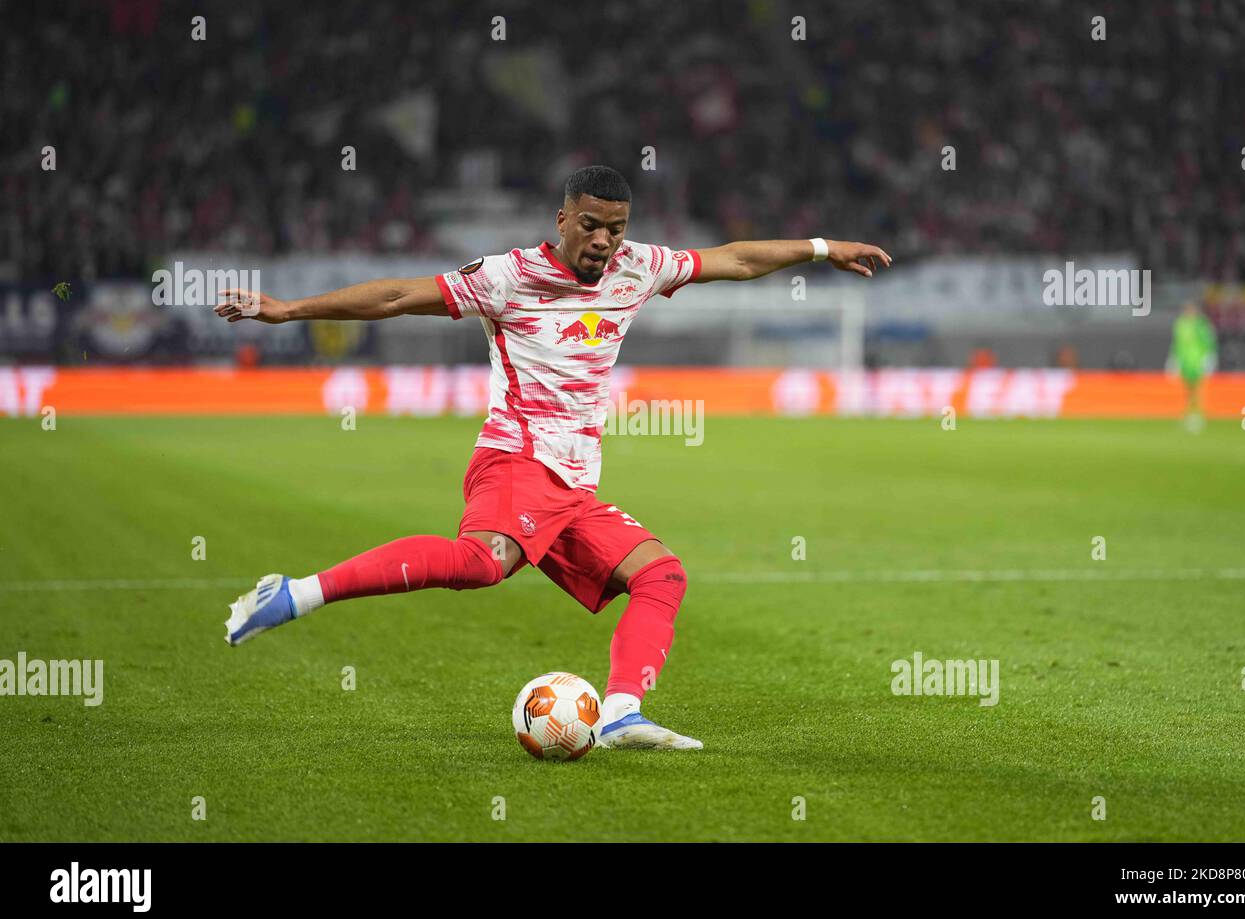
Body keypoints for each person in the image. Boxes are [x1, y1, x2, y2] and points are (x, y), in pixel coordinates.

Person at [212, 165, 891, 750]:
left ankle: (622, 712)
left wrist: (821, 247)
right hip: (516, 459)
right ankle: (296, 593)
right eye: (591, 225)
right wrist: (289, 310)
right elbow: (397, 295)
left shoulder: (638, 268)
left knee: (660, 576)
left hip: (572, 482)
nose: (603, 241)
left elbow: (735, 259)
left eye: (615, 228)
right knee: (483, 563)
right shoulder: (508, 277)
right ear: (562, 218)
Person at [1166, 302, 1218, 432]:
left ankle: (1199, 415)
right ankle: (1188, 414)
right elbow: (1177, 342)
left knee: (1199, 389)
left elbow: (1209, 341)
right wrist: (1174, 359)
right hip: (1185, 361)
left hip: (1197, 360)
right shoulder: (1180, 324)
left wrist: (1209, 358)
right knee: (1187, 390)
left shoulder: (1201, 324)